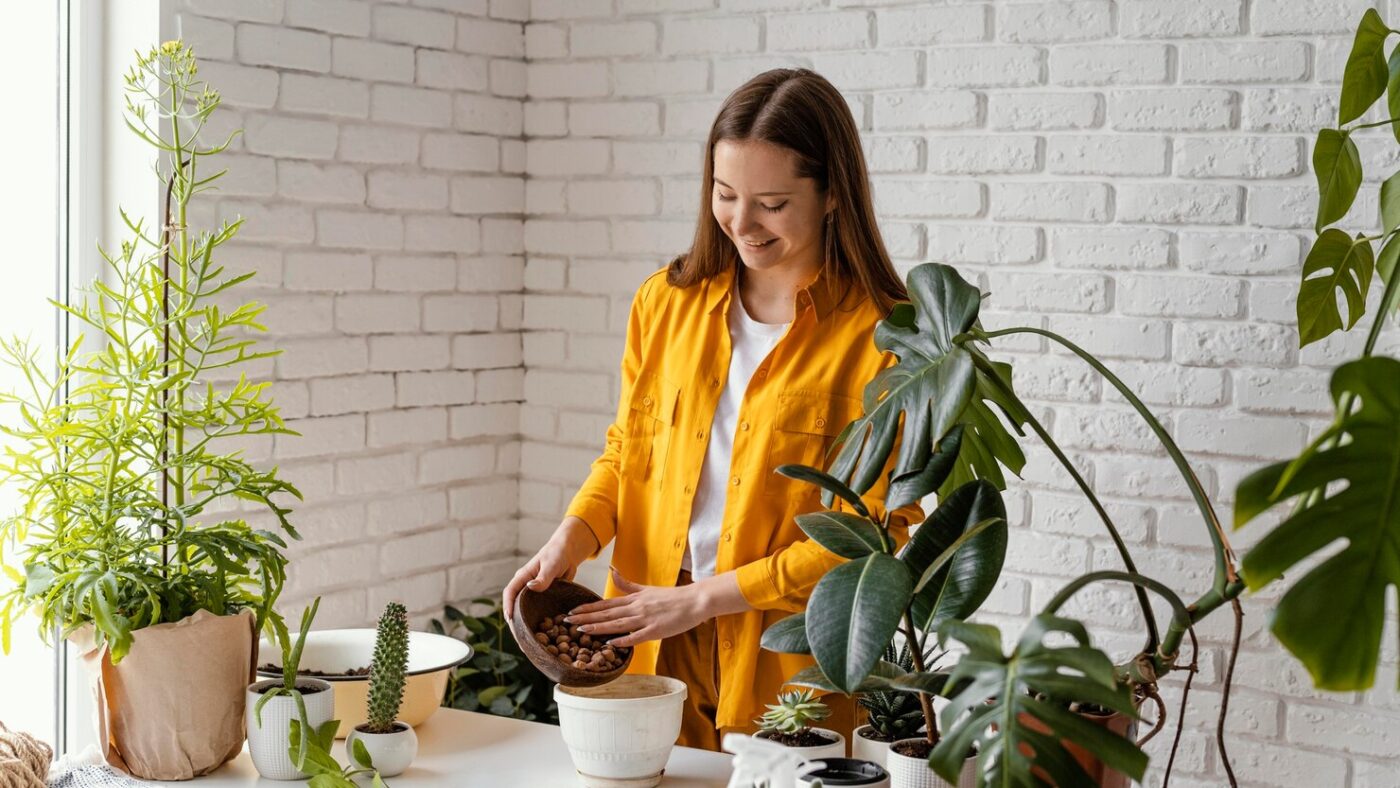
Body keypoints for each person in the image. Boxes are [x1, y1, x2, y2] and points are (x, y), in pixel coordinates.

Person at [503, 68, 924, 752]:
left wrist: (702, 599)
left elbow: (868, 539)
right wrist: (572, 537)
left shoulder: (886, 337)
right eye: (725, 195)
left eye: (772, 202)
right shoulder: (663, 303)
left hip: (784, 654)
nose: (741, 223)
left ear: (831, 196)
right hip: (644, 631)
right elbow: (627, 453)